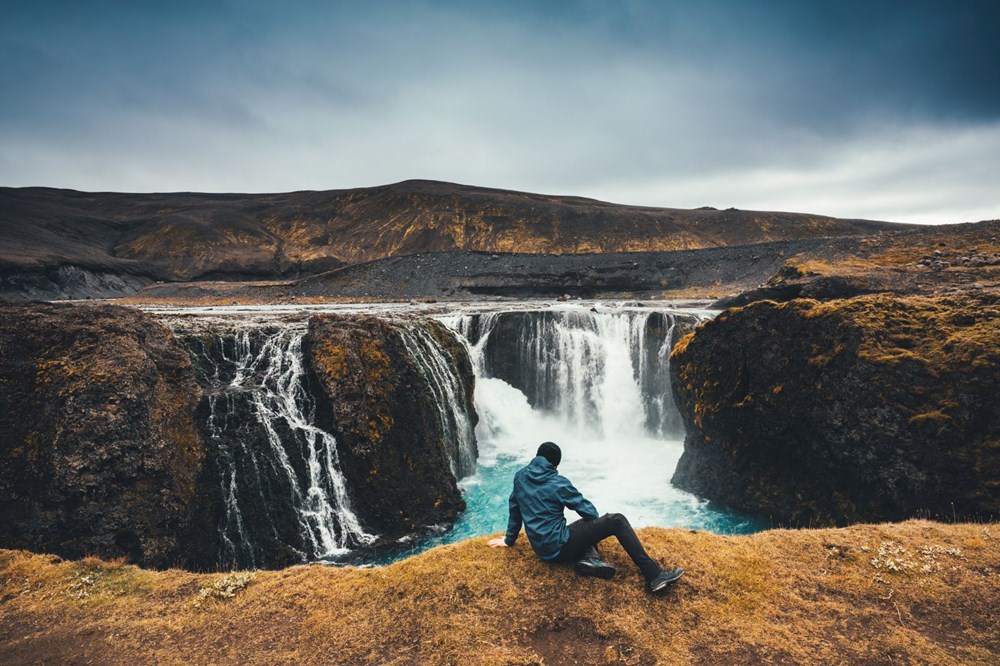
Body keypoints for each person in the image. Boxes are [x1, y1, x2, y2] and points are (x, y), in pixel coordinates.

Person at [488, 441, 684, 594]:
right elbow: (590, 513)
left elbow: (514, 509)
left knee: (580, 528)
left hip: (542, 550)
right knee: (617, 520)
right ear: (555, 465)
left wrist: (508, 540)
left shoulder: (519, 477)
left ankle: (590, 559)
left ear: (537, 456)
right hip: (558, 546)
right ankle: (655, 575)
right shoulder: (557, 482)